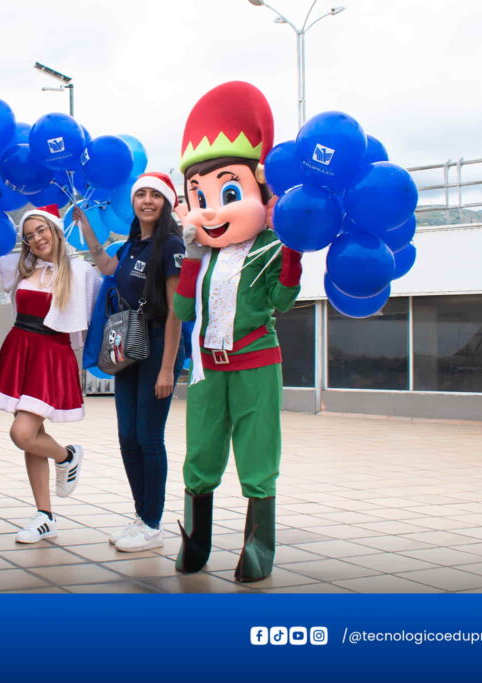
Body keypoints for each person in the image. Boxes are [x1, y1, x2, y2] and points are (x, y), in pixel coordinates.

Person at [172, 81, 302, 581]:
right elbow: (184, 309)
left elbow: (282, 302)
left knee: (257, 451)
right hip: (208, 367)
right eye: (199, 195)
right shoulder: (202, 255)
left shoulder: (270, 246)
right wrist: (190, 255)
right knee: (201, 451)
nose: (211, 209)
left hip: (255, 362)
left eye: (229, 193)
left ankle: (257, 547)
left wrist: (293, 252)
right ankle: (195, 540)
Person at [77, 172, 187, 552]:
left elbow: (176, 312)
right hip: (127, 347)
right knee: (127, 437)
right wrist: (87, 228)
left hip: (157, 345)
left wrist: (168, 368)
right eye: (141, 194)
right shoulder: (129, 247)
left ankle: (153, 524)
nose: (147, 201)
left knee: (148, 437)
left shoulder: (171, 245)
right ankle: (141, 516)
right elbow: (106, 266)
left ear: (166, 203)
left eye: (155, 195)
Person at [0, 205, 101, 544]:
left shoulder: (79, 271)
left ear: (56, 230)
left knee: (22, 433)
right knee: (33, 435)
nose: (36, 239)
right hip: (20, 348)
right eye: (29, 235)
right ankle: (45, 516)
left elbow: (96, 312)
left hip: (51, 355)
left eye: (41, 230)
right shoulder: (22, 266)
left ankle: (67, 456)